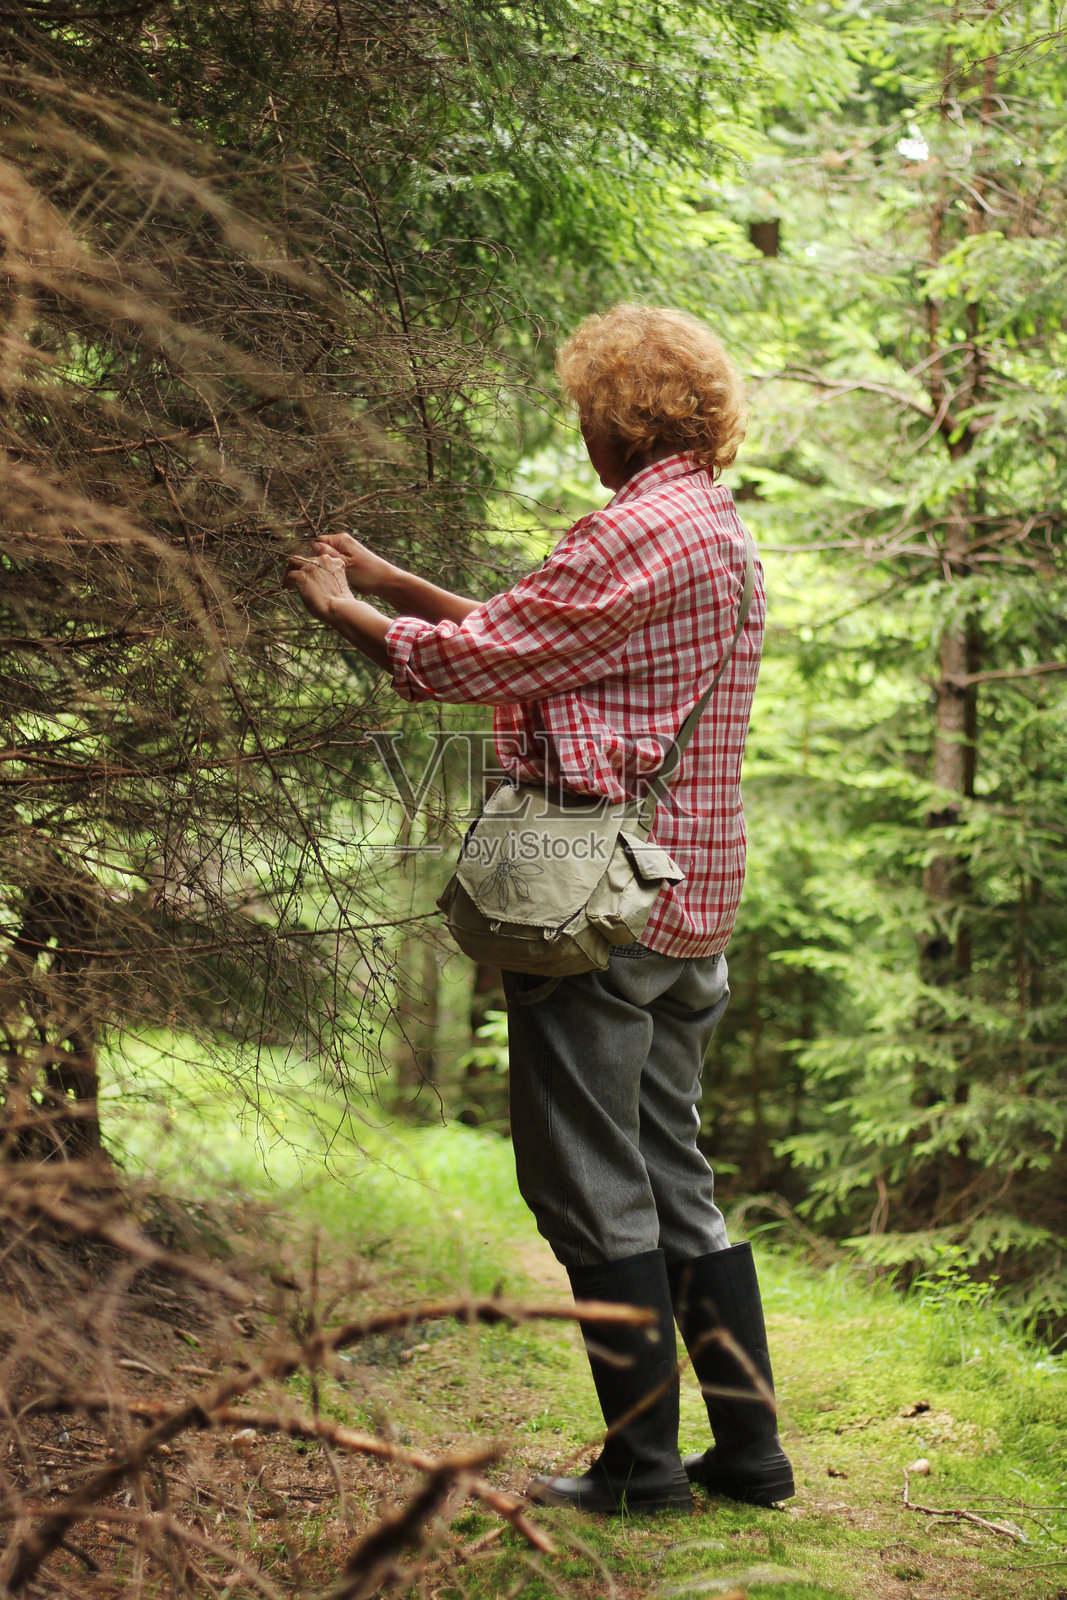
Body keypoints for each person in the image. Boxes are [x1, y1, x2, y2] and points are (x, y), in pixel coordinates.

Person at [284, 304, 794, 1516]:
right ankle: (749, 1451)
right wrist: (398, 579)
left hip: (600, 910)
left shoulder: (628, 533)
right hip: (693, 902)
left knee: (585, 1183)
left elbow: (467, 664)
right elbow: (544, 641)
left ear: (615, 422)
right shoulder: (711, 527)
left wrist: (339, 607)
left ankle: (640, 1466)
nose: (581, 434)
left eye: (584, 413)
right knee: (673, 1167)